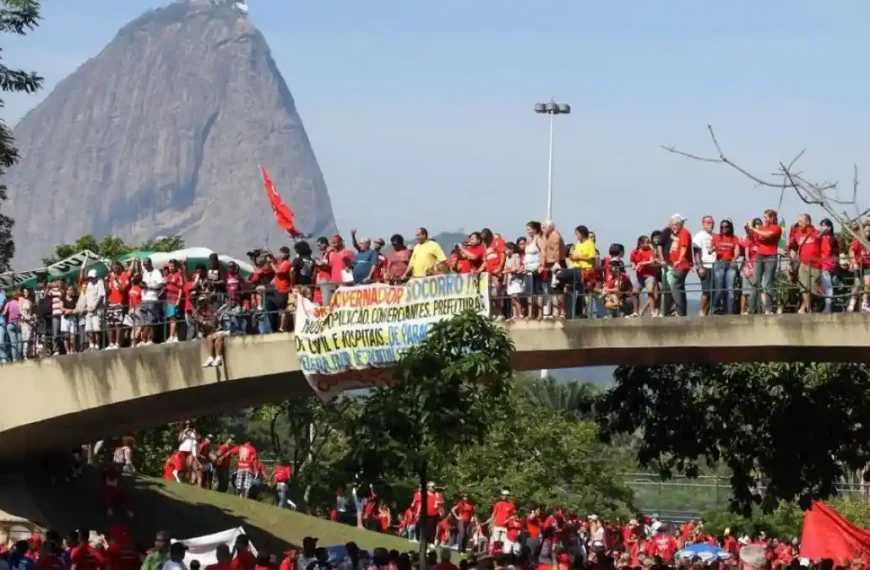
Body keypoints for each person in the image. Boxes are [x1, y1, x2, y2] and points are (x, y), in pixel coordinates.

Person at [746, 209, 783, 315]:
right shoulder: (762, 228)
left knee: (767, 282)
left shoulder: (777, 228)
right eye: (764, 217)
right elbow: (755, 239)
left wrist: (754, 229)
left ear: (772, 218)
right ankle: (751, 308)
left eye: (766, 217)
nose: (765, 219)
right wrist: (750, 230)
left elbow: (767, 235)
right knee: (755, 282)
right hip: (760, 255)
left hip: (771, 256)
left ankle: (768, 308)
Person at [140, 258, 164, 345]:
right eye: (144, 264)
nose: (145, 266)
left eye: (146, 264)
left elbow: (161, 285)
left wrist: (150, 287)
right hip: (144, 298)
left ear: (150, 263)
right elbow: (143, 284)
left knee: (151, 321)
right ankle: (144, 339)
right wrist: (142, 285)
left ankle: (150, 339)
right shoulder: (145, 273)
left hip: (152, 298)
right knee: (144, 321)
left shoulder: (156, 272)